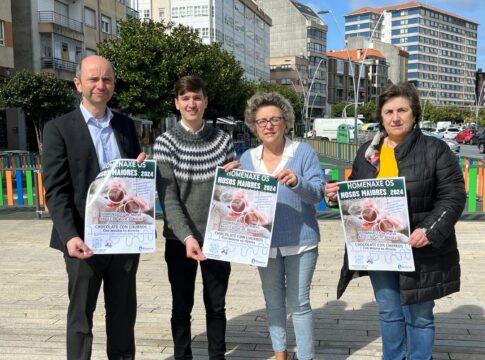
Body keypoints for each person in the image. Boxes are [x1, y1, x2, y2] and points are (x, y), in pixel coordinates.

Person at [325, 82, 466, 360]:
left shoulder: (434, 149)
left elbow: (453, 196)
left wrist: (430, 229)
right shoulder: (369, 151)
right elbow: (357, 191)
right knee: (389, 312)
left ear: (414, 114)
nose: (395, 117)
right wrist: (336, 194)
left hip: (419, 247)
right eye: (388, 111)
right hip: (379, 247)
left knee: (420, 315)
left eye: (402, 110)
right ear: (381, 116)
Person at [42, 55, 146, 359]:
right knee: (80, 318)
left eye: (107, 79)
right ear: (78, 84)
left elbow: (133, 181)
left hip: (124, 238)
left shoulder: (126, 125)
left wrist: (139, 171)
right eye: (93, 79)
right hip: (82, 241)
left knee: (123, 316)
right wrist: (69, 236)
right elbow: (56, 190)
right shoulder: (58, 128)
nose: (101, 85)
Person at [154, 75, 239, 360]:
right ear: (177, 103)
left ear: (205, 102)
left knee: (216, 306)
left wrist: (237, 181)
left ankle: (217, 356)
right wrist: (187, 236)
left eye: (197, 97)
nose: (192, 103)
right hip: (180, 239)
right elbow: (168, 199)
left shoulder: (222, 140)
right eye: (185, 98)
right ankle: (183, 356)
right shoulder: (165, 143)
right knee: (181, 306)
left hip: (217, 237)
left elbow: (231, 193)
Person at [239, 92, 325, 360]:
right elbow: (241, 202)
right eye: (261, 121)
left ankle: (306, 356)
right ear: (254, 126)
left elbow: (318, 193)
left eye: (274, 119)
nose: (268, 125)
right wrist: (230, 181)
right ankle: (280, 353)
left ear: (285, 122)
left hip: (301, 240)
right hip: (263, 245)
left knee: (299, 304)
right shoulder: (247, 159)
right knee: (273, 303)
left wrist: (298, 181)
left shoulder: (302, 152)